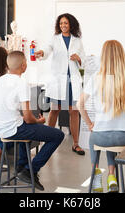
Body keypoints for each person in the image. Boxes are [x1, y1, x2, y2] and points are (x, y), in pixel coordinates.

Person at [0, 51, 65, 191]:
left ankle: (21, 165)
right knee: (58, 135)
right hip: (12, 129)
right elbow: (29, 118)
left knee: (27, 130)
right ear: (23, 65)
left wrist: (31, 122)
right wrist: (40, 121)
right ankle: (30, 170)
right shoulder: (21, 83)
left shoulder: (0, 80)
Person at [78, 40, 125, 193]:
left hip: (101, 137)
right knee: (112, 136)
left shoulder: (97, 78)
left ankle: (96, 174)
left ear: (103, 57)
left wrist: (90, 124)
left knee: (95, 138)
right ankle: (112, 175)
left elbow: (79, 105)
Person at [34, 13, 86, 155]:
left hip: (72, 81)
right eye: (61, 23)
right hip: (58, 81)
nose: (63, 25)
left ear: (71, 25)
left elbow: (84, 61)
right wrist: (41, 53)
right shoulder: (55, 39)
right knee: (55, 110)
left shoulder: (77, 41)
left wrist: (79, 59)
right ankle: (47, 141)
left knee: (74, 112)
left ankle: (76, 144)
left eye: (66, 23)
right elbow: (47, 50)